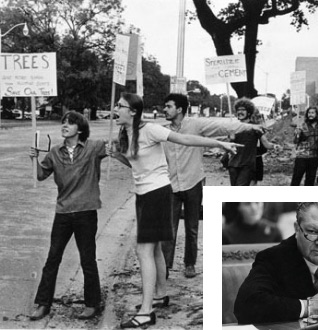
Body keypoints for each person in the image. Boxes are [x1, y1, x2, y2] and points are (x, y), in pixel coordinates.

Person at [108, 92, 242, 329]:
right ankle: (160, 294)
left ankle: (146, 311)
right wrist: (117, 155)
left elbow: (186, 140)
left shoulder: (151, 130)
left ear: (133, 111)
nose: (115, 109)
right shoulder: (125, 133)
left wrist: (219, 143)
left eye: (120, 106)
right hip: (143, 194)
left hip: (156, 194)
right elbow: (136, 163)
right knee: (156, 248)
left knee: (143, 251)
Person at [161, 93, 266, 279]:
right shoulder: (163, 130)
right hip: (171, 184)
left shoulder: (196, 125)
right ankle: (165, 266)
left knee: (192, 227)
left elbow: (225, 125)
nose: (164, 109)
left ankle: (190, 264)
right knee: (169, 227)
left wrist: (251, 126)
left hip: (193, 182)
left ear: (179, 109)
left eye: (168, 106)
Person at [28, 111, 107, 321]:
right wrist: (35, 159)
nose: (65, 125)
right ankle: (43, 304)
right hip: (63, 212)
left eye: (70, 123)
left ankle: (92, 304)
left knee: (87, 259)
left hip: (86, 212)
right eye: (63, 122)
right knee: (52, 258)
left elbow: (119, 148)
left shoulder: (93, 147)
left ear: (79, 129)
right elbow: (40, 175)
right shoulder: (54, 152)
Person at [228, 98, 271, 186]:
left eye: (243, 110)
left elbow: (266, 144)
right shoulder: (234, 127)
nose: (240, 112)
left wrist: (275, 146)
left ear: (249, 112)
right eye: (238, 110)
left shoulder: (256, 128)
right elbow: (227, 146)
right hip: (233, 164)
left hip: (247, 165)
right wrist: (231, 138)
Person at [291, 107, 318, 186]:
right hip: (302, 156)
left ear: (316, 114)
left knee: (310, 179)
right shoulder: (302, 125)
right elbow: (295, 141)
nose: (310, 115)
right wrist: (297, 133)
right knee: (296, 178)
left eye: (312, 113)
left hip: (314, 156)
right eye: (309, 113)